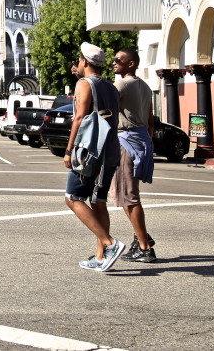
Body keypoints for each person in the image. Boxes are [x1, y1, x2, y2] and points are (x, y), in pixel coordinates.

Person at [64, 42, 125, 272]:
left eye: (79, 60)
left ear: (85, 62)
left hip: (91, 151)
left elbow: (79, 118)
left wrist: (69, 151)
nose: (77, 64)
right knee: (98, 200)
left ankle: (110, 244)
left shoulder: (84, 84)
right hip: (110, 148)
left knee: (72, 198)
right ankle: (101, 256)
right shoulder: (110, 86)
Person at [111, 48, 157, 263]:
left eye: (118, 60)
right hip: (141, 141)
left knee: (129, 197)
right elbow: (150, 119)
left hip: (126, 141)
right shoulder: (145, 87)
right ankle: (142, 237)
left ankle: (145, 247)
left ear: (131, 64)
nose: (114, 62)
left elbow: (106, 110)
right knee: (128, 195)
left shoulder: (121, 84)